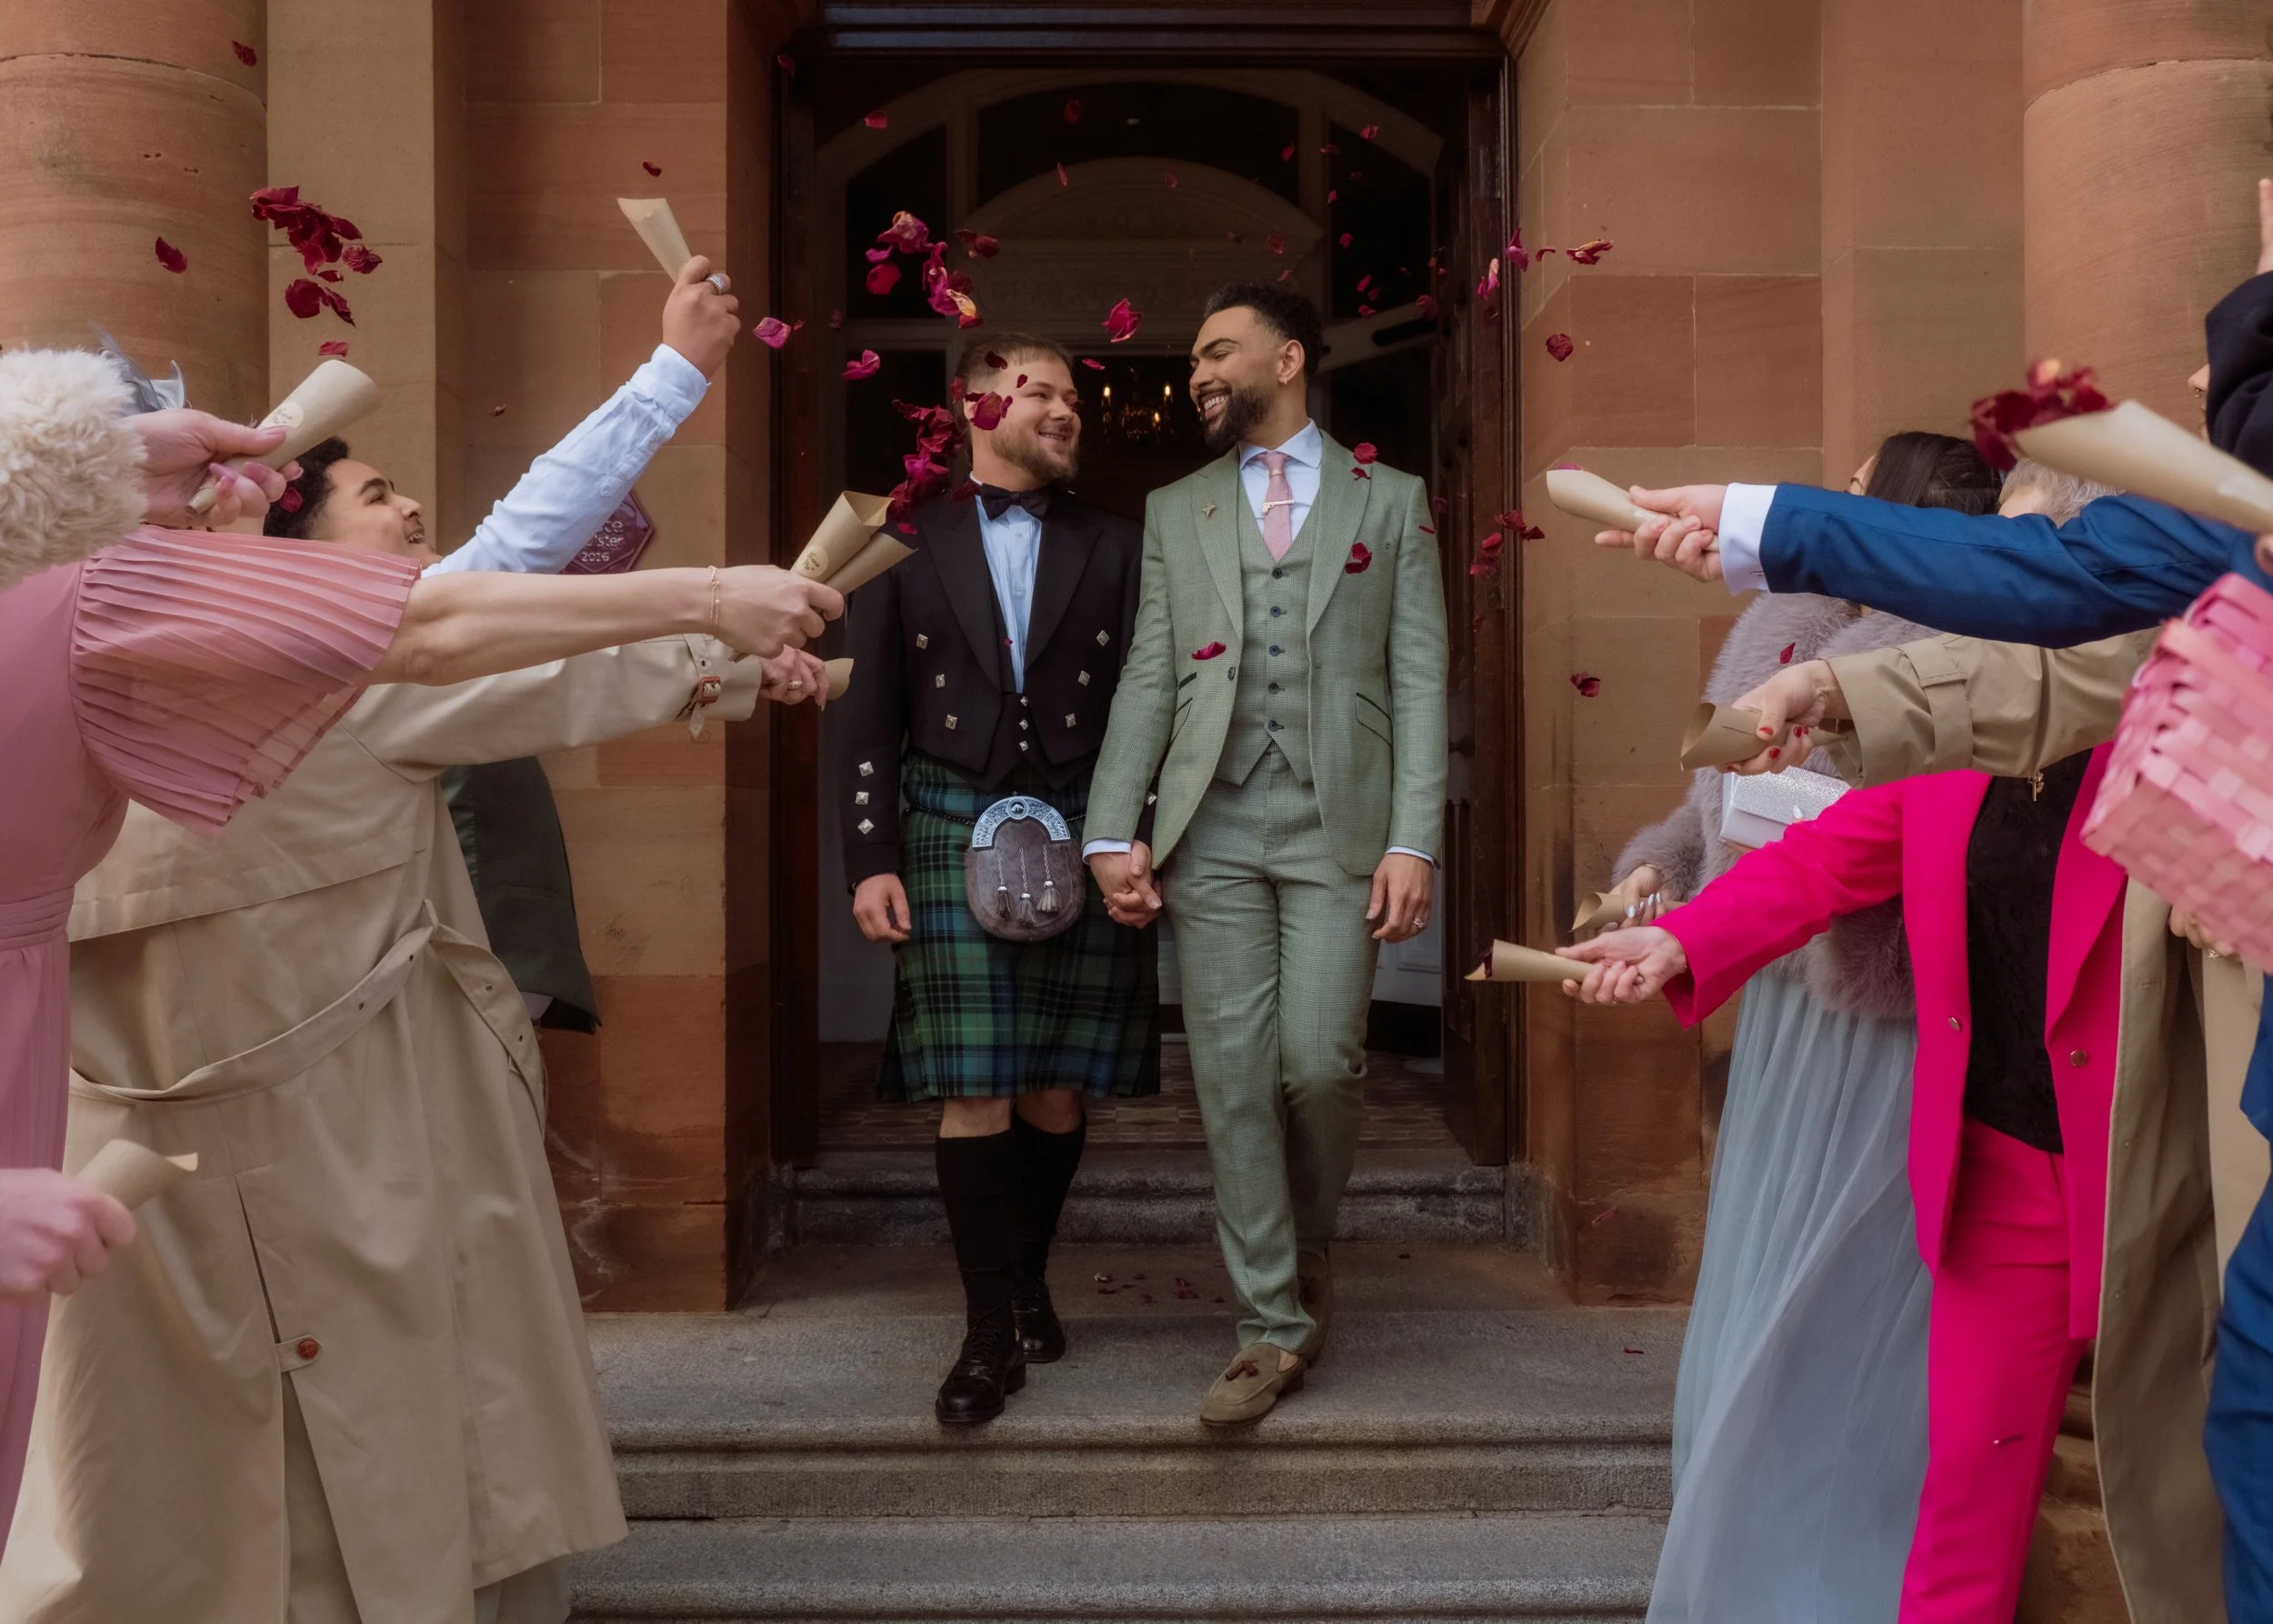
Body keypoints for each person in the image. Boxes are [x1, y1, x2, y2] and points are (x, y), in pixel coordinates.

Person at [0, 338, 836, 1619]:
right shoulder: (216, 637)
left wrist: (710, 649)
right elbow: (455, 621)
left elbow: (485, 627)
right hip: (248, 1146)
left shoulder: (122, 618)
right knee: (343, 1466)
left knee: (182, 1482)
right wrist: (714, 613)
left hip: (177, 1145)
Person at [1558, 731, 2185, 1624]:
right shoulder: (1958, 735)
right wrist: (1678, 939)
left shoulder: (2191, 719)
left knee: (2208, 1501)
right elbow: (1821, 859)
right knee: (1963, 1521)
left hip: (2174, 1173)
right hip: (2002, 1174)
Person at [1607, 432, 1998, 1624]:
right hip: (1769, 990)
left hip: (1875, 1003)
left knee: (1842, 1287)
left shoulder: (1966, 638)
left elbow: (1930, 831)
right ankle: (1726, 1534)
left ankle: (1822, 1571)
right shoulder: (1777, 616)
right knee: (1755, 1264)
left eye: (1862, 482)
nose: (1841, 491)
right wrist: (1658, 872)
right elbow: (1707, 799)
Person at [1083, 282, 1447, 1424]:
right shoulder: (1177, 508)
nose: (1196, 372)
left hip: (1341, 822)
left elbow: (1418, 678)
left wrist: (1413, 838)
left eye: (1216, 351)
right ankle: (1269, 1324)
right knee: (1232, 1077)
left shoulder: (1392, 500)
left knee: (1320, 1066)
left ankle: (1305, 1241)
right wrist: (1112, 827)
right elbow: (1153, 672)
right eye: (1194, 357)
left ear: (1287, 360)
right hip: (1214, 823)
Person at [834, 334, 1158, 1425]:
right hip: (945, 814)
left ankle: (1026, 1279)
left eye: (1072, 396)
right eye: (1041, 393)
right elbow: (866, 712)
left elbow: (1149, 702)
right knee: (973, 1088)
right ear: (975, 404)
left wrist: (1132, 835)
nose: (1066, 410)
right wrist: (870, 859)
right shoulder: (900, 535)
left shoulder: (1119, 543)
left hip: (1083, 817)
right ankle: (986, 1334)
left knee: (1056, 1085)